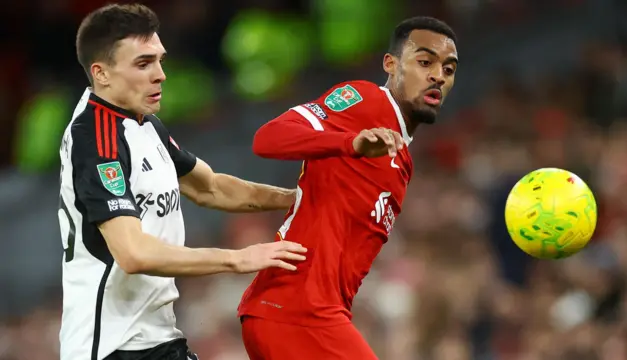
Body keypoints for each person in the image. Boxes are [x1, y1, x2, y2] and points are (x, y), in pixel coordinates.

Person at [58, 4, 307, 360]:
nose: (160, 74)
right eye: (143, 64)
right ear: (102, 74)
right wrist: (238, 259)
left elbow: (210, 187)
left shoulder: (143, 124)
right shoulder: (96, 139)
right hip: (111, 347)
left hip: (156, 339)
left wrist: (298, 198)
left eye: (159, 60)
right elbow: (133, 253)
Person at [238, 16, 459, 359]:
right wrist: (350, 143)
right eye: (425, 62)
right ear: (390, 63)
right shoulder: (364, 99)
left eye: (449, 68)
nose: (438, 76)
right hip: (295, 311)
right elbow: (267, 139)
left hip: (308, 314)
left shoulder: (402, 160)